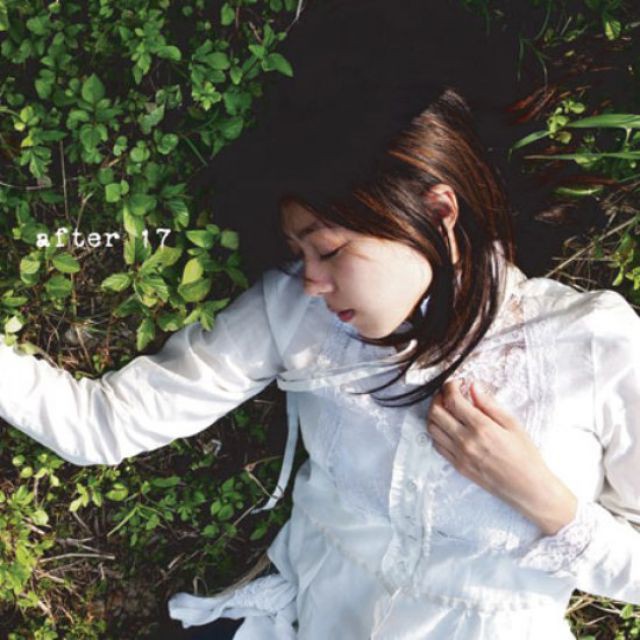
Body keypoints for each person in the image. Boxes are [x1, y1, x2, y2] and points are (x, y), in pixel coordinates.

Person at [1, 87, 639, 640]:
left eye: (330, 251)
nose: (311, 280)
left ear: (439, 212)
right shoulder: (301, 313)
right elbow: (104, 423)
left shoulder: (591, 343)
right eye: (299, 252)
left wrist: (546, 501)